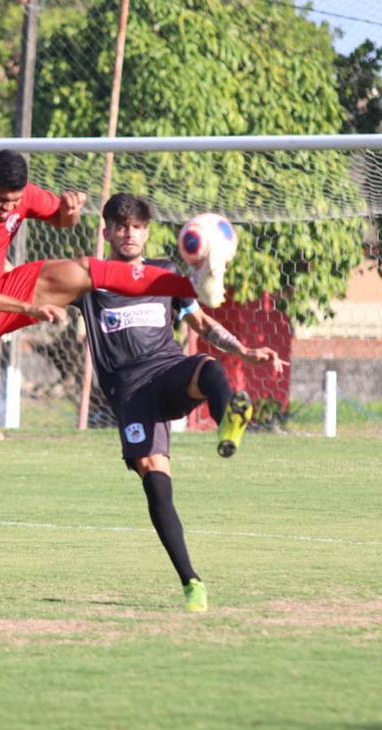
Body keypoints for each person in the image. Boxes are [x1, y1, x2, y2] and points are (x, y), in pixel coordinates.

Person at [0, 149, 202, 474]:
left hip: (5, 287)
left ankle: (187, 286)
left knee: (84, 272)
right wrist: (28, 308)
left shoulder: (21, 195)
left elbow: (61, 219)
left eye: (15, 202)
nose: (9, 209)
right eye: (2, 201)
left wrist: (70, 212)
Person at [78, 193, 287, 612]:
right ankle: (192, 582)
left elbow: (200, 322)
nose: (129, 233)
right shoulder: (90, 277)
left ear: (148, 231)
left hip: (167, 370)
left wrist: (245, 352)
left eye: (137, 226)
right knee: (156, 482)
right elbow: (39, 288)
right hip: (131, 393)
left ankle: (231, 417)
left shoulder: (164, 273)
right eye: (121, 226)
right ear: (107, 232)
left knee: (208, 367)